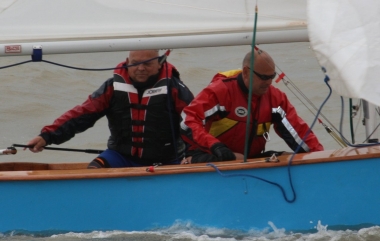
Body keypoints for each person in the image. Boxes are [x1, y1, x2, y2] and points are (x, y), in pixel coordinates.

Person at [26, 50, 194, 168]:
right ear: (127, 63)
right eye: (136, 63)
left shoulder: (174, 88)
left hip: (168, 160)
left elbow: (194, 122)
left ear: (160, 64)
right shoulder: (112, 87)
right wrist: (47, 136)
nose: (141, 68)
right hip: (120, 157)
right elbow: (82, 115)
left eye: (147, 64)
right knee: (92, 174)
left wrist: (195, 154)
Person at [180, 49, 323, 163]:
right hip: (210, 155)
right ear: (247, 72)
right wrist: (216, 146)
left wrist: (321, 158)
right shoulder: (221, 91)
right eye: (264, 77)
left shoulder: (275, 98)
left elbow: (298, 132)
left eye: (272, 77)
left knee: (290, 159)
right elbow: (188, 121)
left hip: (249, 159)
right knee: (235, 159)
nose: (269, 83)